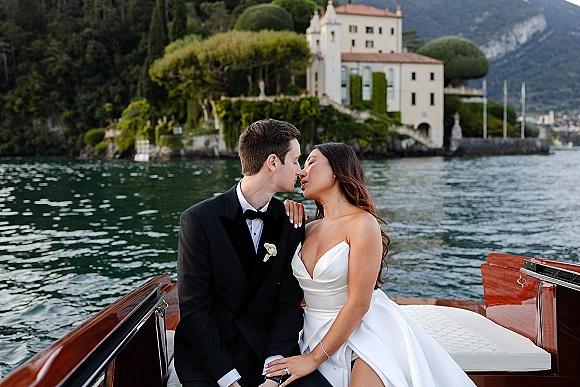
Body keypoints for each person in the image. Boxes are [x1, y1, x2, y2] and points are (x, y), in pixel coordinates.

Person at [265, 143, 476, 387]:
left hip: (364, 330)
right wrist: (285, 214)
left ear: (337, 170)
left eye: (311, 162)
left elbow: (358, 303)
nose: (301, 172)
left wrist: (313, 359)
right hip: (312, 331)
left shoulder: (363, 224)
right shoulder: (306, 229)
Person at [174, 119, 331, 387]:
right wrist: (229, 380)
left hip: (266, 352)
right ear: (272, 162)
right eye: (294, 161)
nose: (299, 170)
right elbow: (195, 311)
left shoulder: (290, 221)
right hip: (210, 357)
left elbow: (288, 304)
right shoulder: (198, 220)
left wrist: (274, 372)